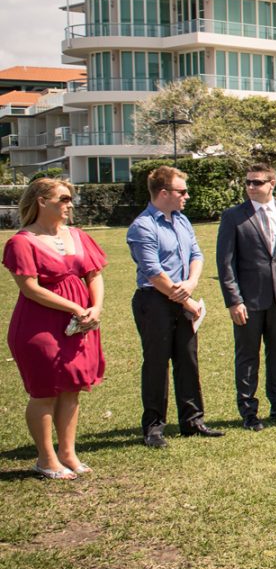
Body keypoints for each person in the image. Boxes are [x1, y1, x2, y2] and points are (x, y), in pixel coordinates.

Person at [5, 178, 105, 478]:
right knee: (45, 391)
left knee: (72, 388)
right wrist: (74, 307)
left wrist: (95, 307)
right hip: (41, 326)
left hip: (80, 324)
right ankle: (46, 458)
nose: (69, 204)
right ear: (41, 201)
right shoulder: (21, 242)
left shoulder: (78, 235)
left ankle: (68, 453)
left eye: (70, 198)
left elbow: (94, 275)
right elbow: (30, 288)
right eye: (62, 199)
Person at [127, 166, 216, 449]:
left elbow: (196, 254)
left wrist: (191, 283)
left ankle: (193, 421)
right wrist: (186, 299)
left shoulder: (182, 220)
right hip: (154, 301)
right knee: (157, 364)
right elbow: (154, 272)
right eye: (182, 191)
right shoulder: (143, 226)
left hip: (181, 295)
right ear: (163, 193)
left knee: (187, 360)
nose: (187, 196)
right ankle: (154, 427)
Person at [216, 162, 276, 431]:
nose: (251, 187)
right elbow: (225, 263)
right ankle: (248, 412)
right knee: (247, 357)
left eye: (257, 182)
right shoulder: (233, 216)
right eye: (248, 182)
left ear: (271, 184)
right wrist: (234, 300)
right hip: (248, 300)